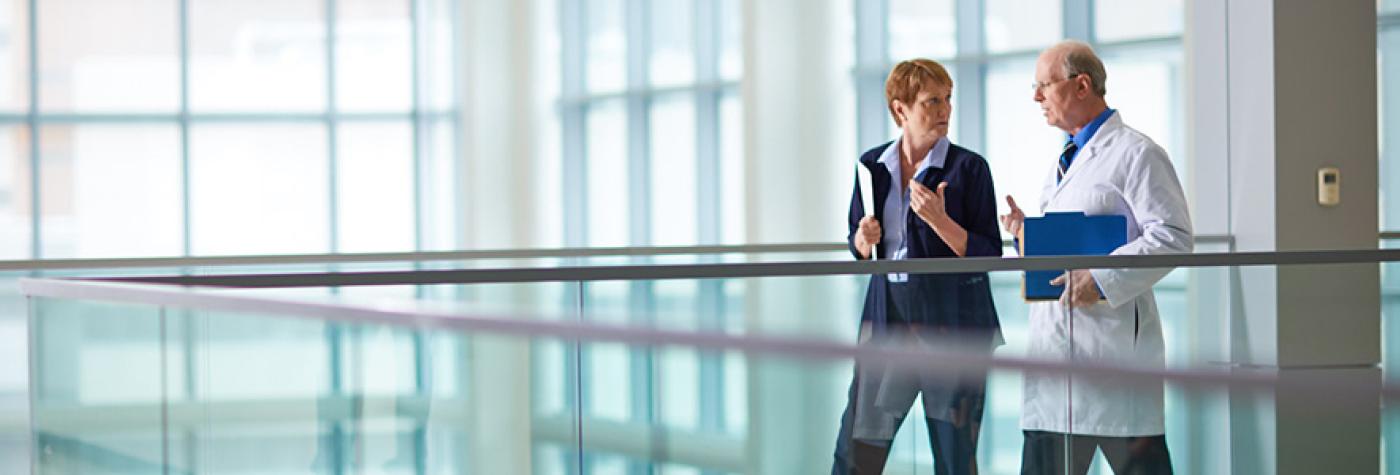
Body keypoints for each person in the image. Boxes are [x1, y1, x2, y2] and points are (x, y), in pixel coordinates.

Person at [1000, 40, 1193, 474]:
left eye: (1043, 86)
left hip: (1113, 359)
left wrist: (1102, 279)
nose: (1036, 97)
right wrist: (1026, 236)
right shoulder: (1064, 160)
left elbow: (1174, 235)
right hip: (1055, 365)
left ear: (1081, 84)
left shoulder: (1137, 153)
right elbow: (1069, 243)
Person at [833, 58, 1004, 475]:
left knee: (954, 459)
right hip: (886, 322)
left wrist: (941, 222)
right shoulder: (871, 166)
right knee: (857, 453)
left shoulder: (970, 168)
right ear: (900, 110)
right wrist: (862, 240)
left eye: (948, 99)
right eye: (932, 101)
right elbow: (858, 243)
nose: (945, 109)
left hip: (954, 328)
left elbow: (989, 253)